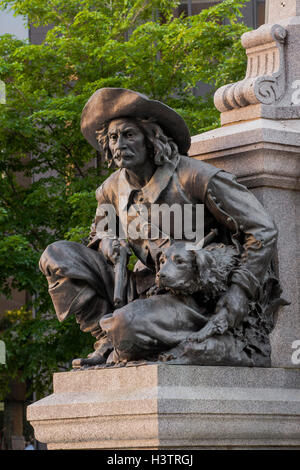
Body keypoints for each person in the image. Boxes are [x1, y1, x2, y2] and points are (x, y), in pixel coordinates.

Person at [39, 88, 279, 368]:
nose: (119, 144)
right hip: (140, 290)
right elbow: (99, 232)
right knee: (56, 257)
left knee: (125, 327)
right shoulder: (110, 189)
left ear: (151, 139)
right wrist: (107, 242)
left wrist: (240, 291)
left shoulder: (195, 176)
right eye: (113, 138)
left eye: (129, 135)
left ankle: (124, 334)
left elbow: (261, 228)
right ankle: (104, 338)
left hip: (193, 298)